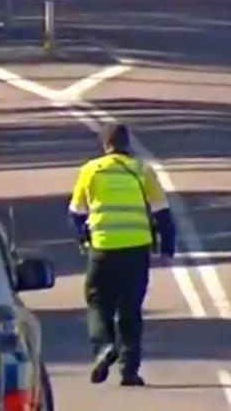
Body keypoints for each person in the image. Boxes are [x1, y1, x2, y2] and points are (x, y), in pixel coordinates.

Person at [69, 123, 176, 387]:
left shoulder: (90, 171)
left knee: (97, 301)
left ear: (105, 146)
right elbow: (162, 213)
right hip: (136, 250)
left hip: (103, 248)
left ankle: (104, 346)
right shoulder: (142, 171)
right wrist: (168, 248)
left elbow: (76, 212)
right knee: (130, 309)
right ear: (127, 144)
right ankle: (129, 370)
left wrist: (84, 235)